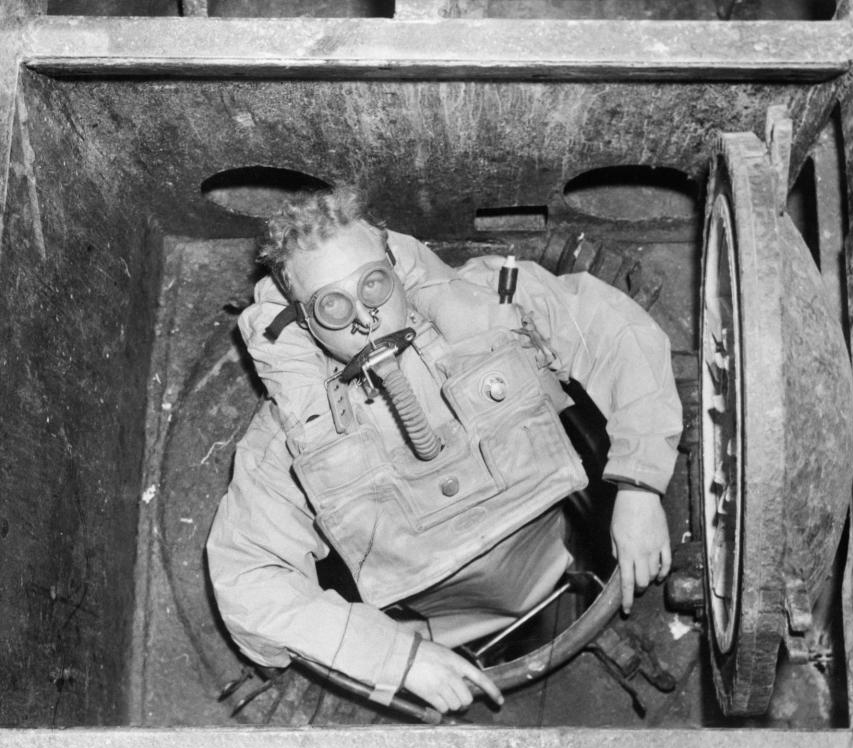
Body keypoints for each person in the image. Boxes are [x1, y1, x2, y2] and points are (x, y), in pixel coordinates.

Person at [206, 186, 682, 716]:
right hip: (437, 636)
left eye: (374, 284)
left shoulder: (490, 311)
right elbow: (246, 580)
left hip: (566, 555)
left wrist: (639, 485)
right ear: (304, 321)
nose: (366, 318)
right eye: (333, 306)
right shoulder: (292, 436)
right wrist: (395, 659)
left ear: (393, 265)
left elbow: (614, 333)